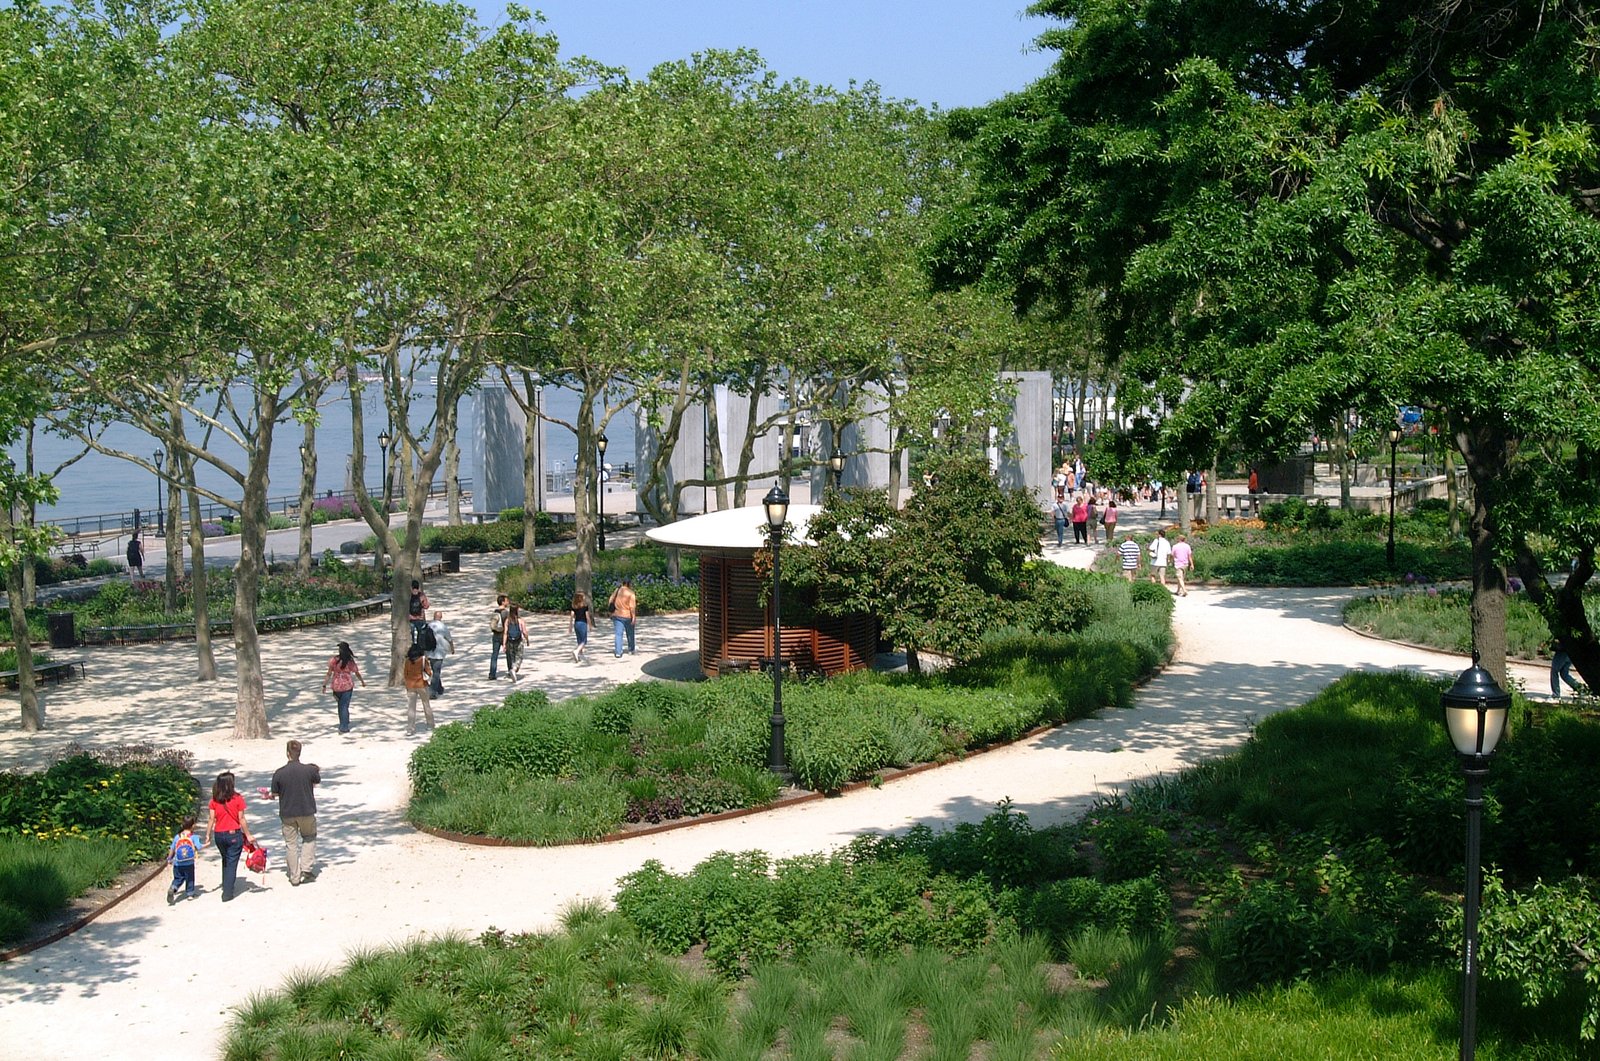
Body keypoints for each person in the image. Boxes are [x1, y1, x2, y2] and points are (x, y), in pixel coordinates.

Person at [270, 740, 321, 886]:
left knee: (291, 844)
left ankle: (294, 876)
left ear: (287, 753)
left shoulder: (279, 773)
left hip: (287, 813)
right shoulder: (309, 771)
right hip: (307, 810)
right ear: (300, 753)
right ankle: (306, 868)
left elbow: (275, 793)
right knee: (309, 838)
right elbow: (317, 780)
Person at [205, 771, 254, 902]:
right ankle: (227, 892)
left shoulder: (214, 800)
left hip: (219, 834)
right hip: (233, 833)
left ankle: (225, 882)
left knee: (225, 859)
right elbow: (241, 819)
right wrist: (248, 835)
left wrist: (207, 835)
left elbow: (211, 819)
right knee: (232, 862)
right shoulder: (237, 798)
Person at [320, 641, 364, 733]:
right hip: (347, 685)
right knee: (344, 705)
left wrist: (324, 685)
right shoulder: (350, 662)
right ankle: (344, 726)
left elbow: (329, 674)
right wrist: (362, 681)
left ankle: (344, 721)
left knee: (341, 705)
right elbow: (356, 673)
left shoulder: (334, 660)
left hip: (336, 686)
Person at [166, 816, 201, 905]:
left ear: (182, 825)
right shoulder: (193, 837)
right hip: (189, 863)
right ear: (193, 826)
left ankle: (173, 888)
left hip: (177, 863)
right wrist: (207, 844)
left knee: (178, 878)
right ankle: (190, 894)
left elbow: (172, 848)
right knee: (190, 878)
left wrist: (169, 858)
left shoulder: (177, 837)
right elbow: (199, 847)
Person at [402, 643, 434, 735]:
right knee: (426, 705)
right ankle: (430, 725)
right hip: (422, 684)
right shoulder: (423, 659)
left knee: (411, 707)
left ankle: (410, 728)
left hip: (411, 685)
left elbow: (405, 674)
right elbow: (429, 672)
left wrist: (407, 685)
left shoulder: (407, 661)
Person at [425, 610, 454, 696]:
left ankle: (439, 688)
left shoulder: (428, 626)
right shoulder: (443, 627)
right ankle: (432, 692)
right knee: (436, 672)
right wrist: (452, 649)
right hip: (439, 652)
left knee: (435, 670)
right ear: (441, 617)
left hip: (429, 651)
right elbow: (449, 639)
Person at [608, 578, 638, 657]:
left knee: (618, 634)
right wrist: (634, 617)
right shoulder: (631, 593)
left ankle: (618, 652)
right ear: (629, 584)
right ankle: (631, 649)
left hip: (617, 614)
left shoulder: (617, 590)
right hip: (627, 615)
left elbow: (610, 600)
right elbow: (632, 607)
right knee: (630, 633)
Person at [488, 593, 510, 679]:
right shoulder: (506, 613)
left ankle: (492, 674)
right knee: (509, 654)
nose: (508, 602)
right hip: (504, 635)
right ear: (503, 602)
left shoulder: (495, 612)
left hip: (496, 635)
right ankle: (510, 670)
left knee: (494, 655)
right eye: (506, 601)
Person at [503, 603, 527, 680]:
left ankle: (512, 669)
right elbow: (524, 632)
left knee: (512, 657)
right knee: (519, 656)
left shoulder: (507, 620)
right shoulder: (520, 620)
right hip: (518, 640)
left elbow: (505, 633)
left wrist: (504, 644)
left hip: (510, 641)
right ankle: (514, 669)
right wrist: (527, 639)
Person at [569, 591, 590, 662]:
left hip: (576, 623)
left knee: (579, 639)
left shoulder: (574, 607)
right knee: (584, 640)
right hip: (583, 623)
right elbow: (587, 616)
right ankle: (577, 651)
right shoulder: (585, 607)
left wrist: (570, 626)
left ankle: (580, 655)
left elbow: (572, 616)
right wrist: (590, 624)